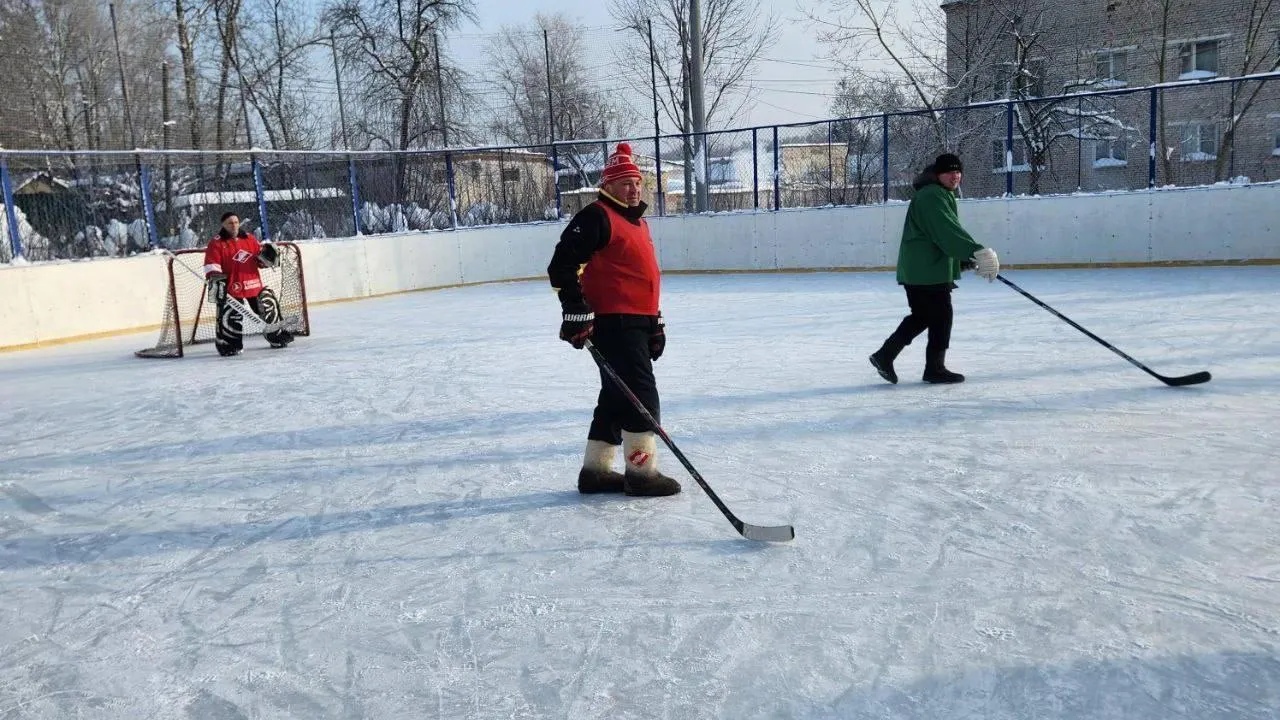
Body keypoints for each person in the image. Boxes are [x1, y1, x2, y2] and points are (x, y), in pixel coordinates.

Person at [548, 143, 681, 497]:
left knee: (615, 397)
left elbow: (641, 278)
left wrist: (654, 323)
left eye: (637, 183)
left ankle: (595, 471)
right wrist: (574, 308)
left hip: (634, 323)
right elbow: (562, 265)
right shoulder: (597, 215)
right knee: (639, 395)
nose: (634, 189)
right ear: (607, 186)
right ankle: (641, 474)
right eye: (625, 183)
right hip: (614, 324)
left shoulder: (637, 222)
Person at [869, 153, 999, 384]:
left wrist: (961, 260)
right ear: (937, 174)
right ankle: (934, 368)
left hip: (923, 269)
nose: (955, 176)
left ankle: (885, 355)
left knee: (923, 316)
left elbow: (937, 234)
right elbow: (946, 231)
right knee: (941, 317)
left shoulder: (938, 193)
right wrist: (975, 251)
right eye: (949, 172)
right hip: (925, 272)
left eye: (958, 171)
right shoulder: (931, 196)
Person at [203, 212, 294, 356]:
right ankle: (229, 345)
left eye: (236, 222)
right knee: (229, 314)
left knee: (268, 302)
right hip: (231, 287)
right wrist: (218, 289)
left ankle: (277, 336)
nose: (234, 225)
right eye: (230, 223)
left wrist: (267, 259)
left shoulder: (249, 238)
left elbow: (259, 260)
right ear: (223, 225)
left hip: (253, 284)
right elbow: (211, 266)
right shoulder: (216, 243)